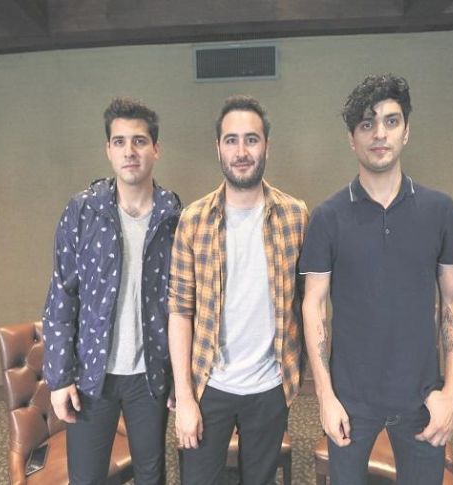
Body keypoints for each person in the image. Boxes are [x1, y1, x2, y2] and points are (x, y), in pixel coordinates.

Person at [300, 74, 453, 485]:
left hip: (421, 398)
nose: (379, 133)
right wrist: (324, 397)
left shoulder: (440, 210)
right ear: (352, 139)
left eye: (391, 121)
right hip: (350, 402)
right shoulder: (327, 217)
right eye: (367, 123)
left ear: (406, 131)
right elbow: (313, 305)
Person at [168, 95, 309, 485]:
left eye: (251, 139)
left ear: (267, 146)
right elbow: (179, 311)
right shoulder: (193, 220)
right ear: (218, 148)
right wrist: (184, 397)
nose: (242, 151)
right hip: (208, 384)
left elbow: (307, 302)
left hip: (270, 386)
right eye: (231, 140)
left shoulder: (295, 216)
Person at [42, 97, 181, 485]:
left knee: (151, 475)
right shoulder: (83, 211)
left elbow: (183, 305)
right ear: (108, 149)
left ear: (156, 149)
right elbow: (61, 296)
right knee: (86, 477)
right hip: (93, 375)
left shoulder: (173, 216)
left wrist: (179, 377)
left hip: (150, 375)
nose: (129, 151)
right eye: (119, 142)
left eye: (139, 141)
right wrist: (59, 378)